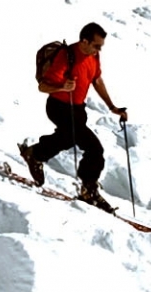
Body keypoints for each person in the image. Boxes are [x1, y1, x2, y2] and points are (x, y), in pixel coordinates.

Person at [19, 23, 129, 212]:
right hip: (58, 107)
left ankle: (34, 154)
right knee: (94, 148)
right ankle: (88, 190)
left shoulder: (93, 56)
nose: (98, 50)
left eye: (100, 46)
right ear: (84, 41)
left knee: (67, 138)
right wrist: (62, 87)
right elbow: (43, 87)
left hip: (78, 109)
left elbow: (97, 79)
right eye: (96, 45)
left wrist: (112, 107)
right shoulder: (66, 56)